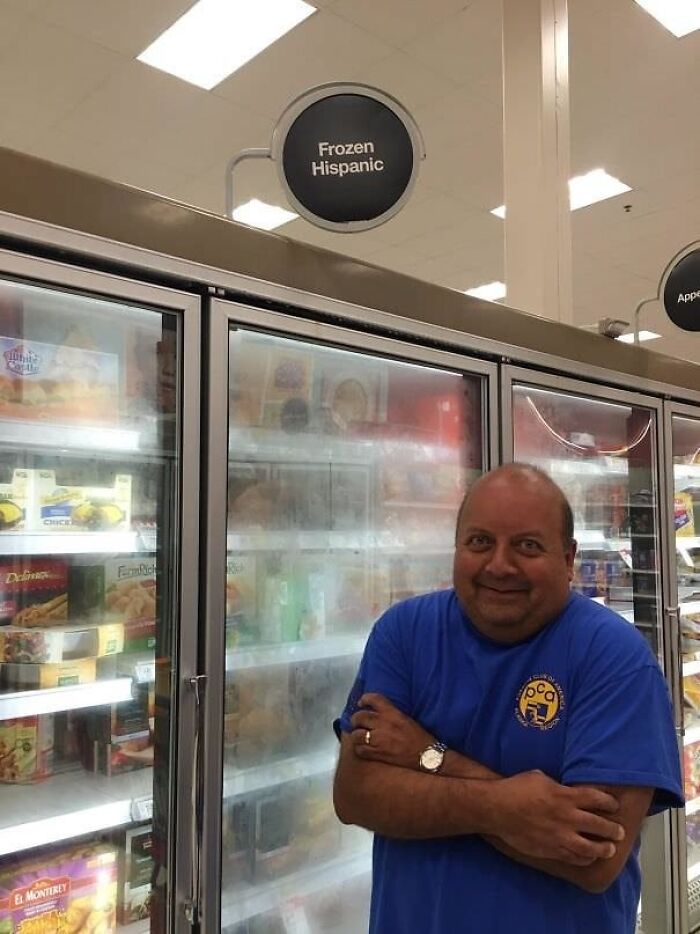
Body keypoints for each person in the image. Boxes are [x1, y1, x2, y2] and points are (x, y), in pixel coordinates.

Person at [333, 463, 683, 934]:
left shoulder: (615, 658)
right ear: (457, 547)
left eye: (527, 546)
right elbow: (355, 796)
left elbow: (594, 856)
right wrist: (504, 806)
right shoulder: (404, 633)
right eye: (480, 542)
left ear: (568, 558)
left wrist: (428, 756)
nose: (499, 565)